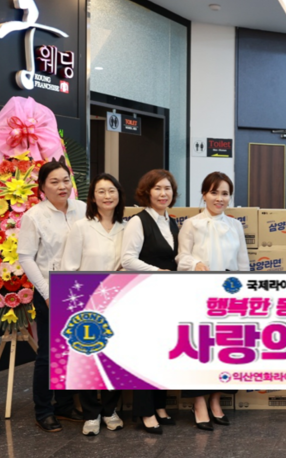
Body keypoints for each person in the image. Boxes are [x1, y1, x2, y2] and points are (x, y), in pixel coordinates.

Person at [18, 161, 87, 433]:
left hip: (80, 287)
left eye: (66, 180)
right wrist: (47, 293)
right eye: (54, 182)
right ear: (43, 187)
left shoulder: (82, 209)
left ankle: (65, 404)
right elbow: (26, 257)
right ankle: (43, 410)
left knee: (73, 348)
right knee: (49, 352)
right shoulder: (34, 216)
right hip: (50, 288)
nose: (62, 186)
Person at [176, 172, 248, 430]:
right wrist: (196, 263)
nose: (219, 198)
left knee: (225, 349)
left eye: (225, 193)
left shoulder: (235, 226)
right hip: (198, 293)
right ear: (204, 194)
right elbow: (181, 257)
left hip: (227, 296)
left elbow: (242, 263)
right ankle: (199, 403)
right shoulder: (191, 224)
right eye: (214, 192)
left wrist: (244, 293)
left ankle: (216, 400)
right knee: (198, 348)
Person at [60, 173, 126, 436]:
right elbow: (68, 267)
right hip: (85, 300)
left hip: (118, 300)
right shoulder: (81, 227)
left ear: (119, 195)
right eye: (101, 191)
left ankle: (110, 410)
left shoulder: (127, 227)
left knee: (114, 358)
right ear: (92, 197)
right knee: (86, 357)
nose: (107, 196)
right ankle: (90, 414)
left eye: (112, 190)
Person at [120, 169, 180, 434]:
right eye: (157, 188)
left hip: (167, 296)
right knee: (145, 354)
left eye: (167, 188)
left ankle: (159, 406)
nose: (163, 193)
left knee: (163, 352)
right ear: (147, 192)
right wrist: (158, 272)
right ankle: (145, 412)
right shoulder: (138, 221)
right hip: (144, 294)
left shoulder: (172, 222)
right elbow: (127, 259)